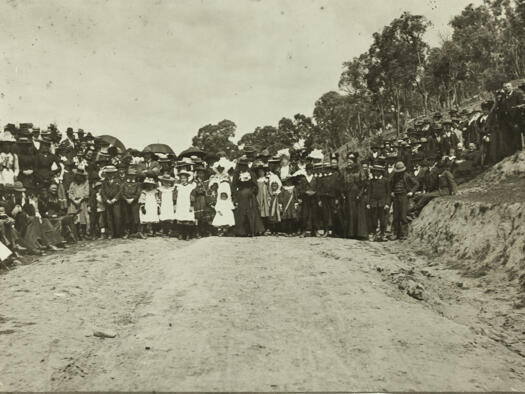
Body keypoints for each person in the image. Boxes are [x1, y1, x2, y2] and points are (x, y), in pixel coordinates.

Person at [390, 161, 418, 240]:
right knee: (395, 215)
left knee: (403, 215)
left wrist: (411, 192)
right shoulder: (394, 176)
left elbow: (416, 184)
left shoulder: (407, 176)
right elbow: (390, 184)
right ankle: (395, 233)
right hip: (396, 196)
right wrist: (391, 191)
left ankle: (404, 234)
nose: (399, 173)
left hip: (404, 196)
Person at [343, 153, 368, 240]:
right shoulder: (345, 171)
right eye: (348, 162)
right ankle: (351, 233)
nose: (349, 164)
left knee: (359, 214)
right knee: (350, 213)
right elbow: (343, 184)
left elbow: (364, 185)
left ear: (354, 162)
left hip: (358, 195)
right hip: (349, 195)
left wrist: (359, 195)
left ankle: (360, 233)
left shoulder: (360, 170)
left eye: (350, 162)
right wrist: (344, 194)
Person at [366, 165, 391, 241]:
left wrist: (387, 203)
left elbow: (388, 193)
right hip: (373, 203)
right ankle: (374, 234)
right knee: (374, 220)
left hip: (382, 203)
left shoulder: (385, 181)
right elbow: (369, 193)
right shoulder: (371, 181)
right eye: (375, 171)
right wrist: (368, 203)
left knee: (383, 220)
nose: (376, 173)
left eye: (378, 171)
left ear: (381, 172)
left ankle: (383, 234)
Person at [120, 168, 143, 238]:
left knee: (136, 217)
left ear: (135, 176)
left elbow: (138, 193)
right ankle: (127, 232)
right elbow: (121, 193)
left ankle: (139, 232)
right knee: (127, 217)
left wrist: (133, 199)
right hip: (125, 202)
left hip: (134, 202)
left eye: (133, 175)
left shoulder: (137, 184)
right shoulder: (124, 184)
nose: (131, 177)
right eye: (130, 175)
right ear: (127, 176)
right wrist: (126, 199)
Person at [67, 169, 90, 239]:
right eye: (77, 176)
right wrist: (74, 200)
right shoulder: (73, 183)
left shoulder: (85, 183)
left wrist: (80, 199)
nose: (79, 177)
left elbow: (87, 193)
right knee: (75, 219)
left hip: (82, 202)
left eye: (80, 176)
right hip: (74, 203)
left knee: (83, 218)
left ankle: (83, 234)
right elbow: (70, 193)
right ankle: (76, 235)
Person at [101, 165, 122, 239]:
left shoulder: (118, 181)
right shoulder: (104, 182)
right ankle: (111, 233)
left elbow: (120, 191)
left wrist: (115, 199)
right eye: (108, 173)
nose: (110, 174)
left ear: (114, 173)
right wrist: (106, 200)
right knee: (109, 218)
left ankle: (118, 233)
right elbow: (102, 192)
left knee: (117, 217)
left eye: (112, 173)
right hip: (108, 202)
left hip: (116, 202)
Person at [174, 171, 196, 240]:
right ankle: (180, 234)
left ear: (187, 179)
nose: (183, 179)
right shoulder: (178, 186)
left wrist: (191, 206)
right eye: (182, 178)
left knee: (187, 219)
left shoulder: (190, 186)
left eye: (184, 178)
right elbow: (175, 196)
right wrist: (174, 205)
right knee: (180, 219)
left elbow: (192, 196)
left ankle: (187, 234)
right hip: (180, 204)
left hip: (187, 204)